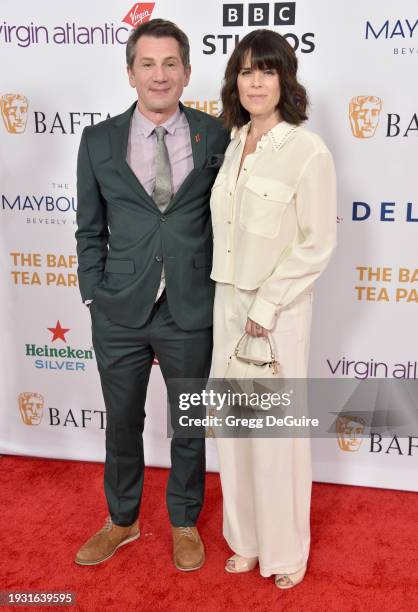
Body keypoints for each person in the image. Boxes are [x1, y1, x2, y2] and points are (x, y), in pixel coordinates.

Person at [74, 19, 229, 570]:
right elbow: (88, 229)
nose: (159, 75)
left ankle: (184, 520)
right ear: (130, 73)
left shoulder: (218, 135)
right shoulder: (97, 140)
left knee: (187, 422)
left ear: (186, 72)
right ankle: (122, 519)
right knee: (121, 420)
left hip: (190, 306)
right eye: (148, 64)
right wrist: (94, 293)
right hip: (118, 309)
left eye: (170, 64)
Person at [210, 29, 336, 588]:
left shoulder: (307, 149)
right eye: (245, 71)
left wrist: (267, 301)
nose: (255, 81)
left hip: (277, 311)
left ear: (285, 79)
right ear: (234, 81)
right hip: (226, 301)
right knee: (234, 430)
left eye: (266, 70)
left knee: (277, 438)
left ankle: (286, 553)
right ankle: (246, 541)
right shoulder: (234, 141)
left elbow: (316, 242)